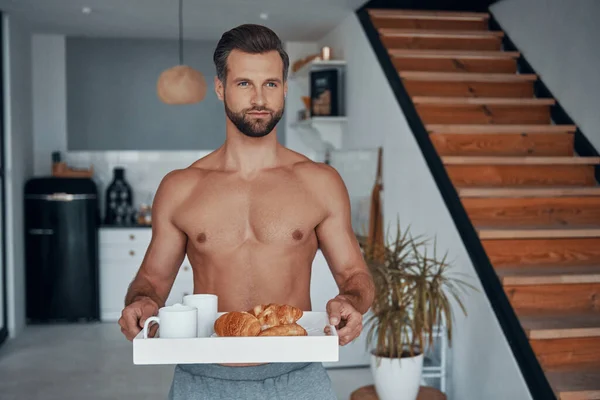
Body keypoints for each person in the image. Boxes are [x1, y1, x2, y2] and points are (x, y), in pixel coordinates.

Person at [118, 23, 375, 400]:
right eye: (244, 84)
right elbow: (152, 283)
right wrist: (140, 303)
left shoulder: (320, 183)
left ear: (285, 89)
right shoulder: (180, 188)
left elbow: (355, 275)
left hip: (296, 376)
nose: (259, 98)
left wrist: (351, 302)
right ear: (220, 87)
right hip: (203, 378)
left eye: (270, 84)